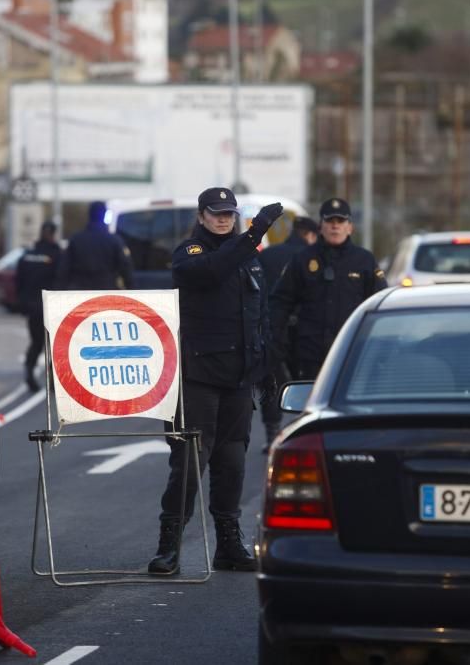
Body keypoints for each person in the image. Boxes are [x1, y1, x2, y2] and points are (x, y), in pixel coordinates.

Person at [148, 187, 283, 575]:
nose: (223, 219)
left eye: (229, 213)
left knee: (233, 463)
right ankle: (168, 546)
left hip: (239, 378)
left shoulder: (249, 260)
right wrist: (254, 234)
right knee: (189, 463)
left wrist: (267, 364)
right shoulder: (191, 252)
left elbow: (260, 315)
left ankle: (228, 544)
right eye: (216, 213)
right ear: (202, 215)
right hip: (198, 377)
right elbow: (210, 272)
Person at [270, 197, 388, 381]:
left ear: (350, 227)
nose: (335, 226)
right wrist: (277, 344)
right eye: (330, 221)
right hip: (310, 355)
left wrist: (379, 347)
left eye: (340, 221)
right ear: (320, 226)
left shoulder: (364, 261)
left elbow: (380, 304)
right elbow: (280, 303)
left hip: (352, 352)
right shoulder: (302, 259)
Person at [256, 216, 319, 450]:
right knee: (306, 382)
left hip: (270, 327)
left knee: (271, 381)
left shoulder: (268, 254)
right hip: (305, 329)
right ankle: (303, 433)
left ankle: (272, 434)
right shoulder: (313, 257)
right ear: (311, 235)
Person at [15, 221, 62, 392]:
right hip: (50, 305)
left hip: (32, 306)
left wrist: (22, 303)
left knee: (36, 342)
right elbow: (61, 280)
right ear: (53, 234)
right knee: (54, 343)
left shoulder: (28, 255)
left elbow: (18, 281)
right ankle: (52, 380)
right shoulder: (57, 254)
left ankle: (29, 372)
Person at [56, 200, 135, 290]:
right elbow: (126, 268)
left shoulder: (76, 239)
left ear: (89, 215)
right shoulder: (114, 240)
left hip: (80, 292)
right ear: (104, 215)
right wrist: (132, 290)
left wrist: (60, 292)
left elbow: (63, 270)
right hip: (107, 291)